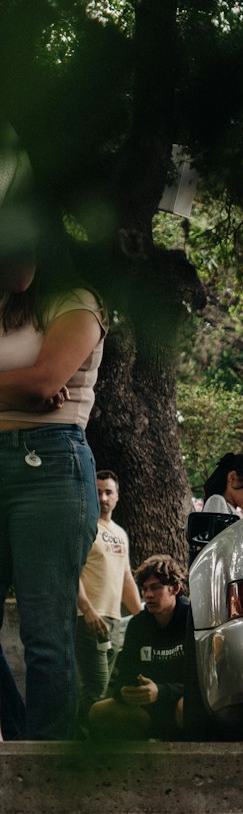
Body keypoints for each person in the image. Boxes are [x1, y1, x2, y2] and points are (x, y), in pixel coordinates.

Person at [0, 148, 106, 739]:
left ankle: (42, 762)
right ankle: (19, 746)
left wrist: (32, 387)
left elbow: (46, 382)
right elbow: (37, 383)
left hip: (49, 466)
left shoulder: (78, 299)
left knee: (45, 632)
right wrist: (23, 389)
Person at [87, 555, 188, 740]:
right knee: (99, 711)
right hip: (146, 710)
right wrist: (125, 692)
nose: (148, 595)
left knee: (188, 708)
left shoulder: (192, 619)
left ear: (174, 588)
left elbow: (203, 685)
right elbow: (123, 677)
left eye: (156, 588)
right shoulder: (138, 624)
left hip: (179, 704)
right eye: (144, 589)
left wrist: (161, 691)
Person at [76, 469, 142, 718]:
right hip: (89, 619)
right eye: (98, 492)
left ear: (117, 496)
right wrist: (87, 610)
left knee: (104, 689)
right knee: (97, 686)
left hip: (114, 620)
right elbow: (71, 573)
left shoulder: (120, 533)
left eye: (108, 492)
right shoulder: (84, 526)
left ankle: (82, 740)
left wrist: (143, 615)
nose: (103, 498)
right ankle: (85, 745)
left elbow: (126, 579)